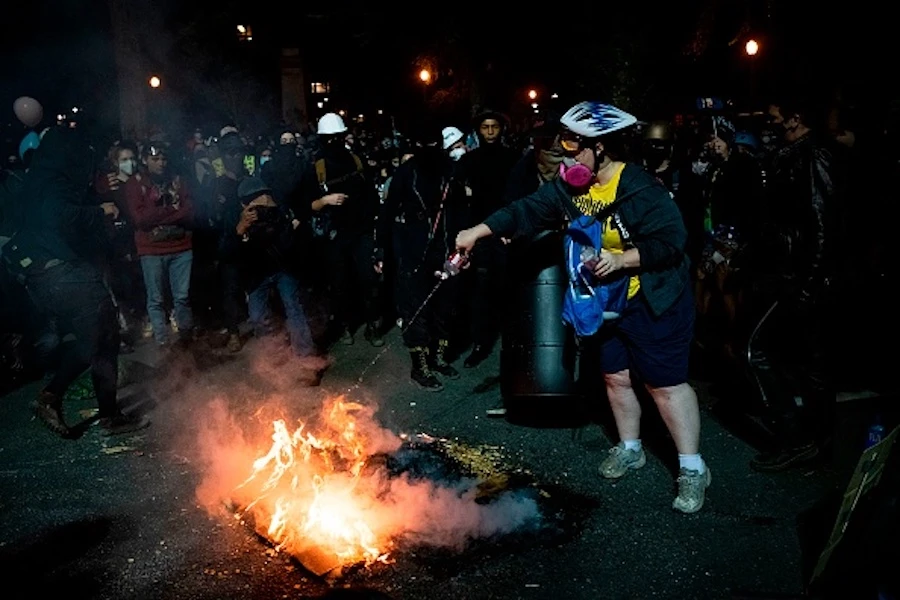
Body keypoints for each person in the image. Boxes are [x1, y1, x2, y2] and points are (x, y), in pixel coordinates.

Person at [455, 101, 709, 513]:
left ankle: (692, 467)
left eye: (574, 147)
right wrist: (476, 232)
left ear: (601, 148)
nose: (565, 155)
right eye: (563, 145)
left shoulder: (641, 187)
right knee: (616, 377)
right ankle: (630, 448)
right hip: (605, 299)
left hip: (652, 296)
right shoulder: (571, 188)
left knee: (664, 385)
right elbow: (526, 211)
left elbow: (671, 242)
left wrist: (622, 260)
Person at [0, 127, 149, 437]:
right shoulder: (51, 182)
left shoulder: (45, 179)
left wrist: (96, 195)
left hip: (57, 270)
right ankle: (51, 395)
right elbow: (60, 217)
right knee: (96, 337)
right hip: (57, 271)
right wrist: (99, 210)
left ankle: (110, 415)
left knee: (106, 337)